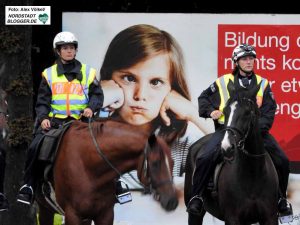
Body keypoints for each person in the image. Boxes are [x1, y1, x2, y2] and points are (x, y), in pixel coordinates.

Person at [186, 43, 293, 218]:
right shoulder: (223, 82)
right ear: (236, 62)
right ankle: (197, 196)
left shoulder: (263, 84)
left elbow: (269, 110)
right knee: (205, 157)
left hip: (257, 134)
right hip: (227, 130)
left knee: (282, 160)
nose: (249, 62)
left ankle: (280, 199)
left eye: (251, 58)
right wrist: (210, 111)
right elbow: (203, 98)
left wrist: (257, 129)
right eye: (245, 59)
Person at [99, 24, 207, 184]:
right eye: (129, 78)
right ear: (108, 79)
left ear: (173, 89)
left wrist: (194, 115)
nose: (140, 95)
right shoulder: (92, 139)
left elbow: (241, 166)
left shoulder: (184, 147)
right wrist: (95, 98)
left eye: (156, 82)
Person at [16, 31, 104, 205]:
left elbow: (97, 95)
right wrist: (42, 118)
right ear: (58, 51)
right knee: (35, 146)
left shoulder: (89, 72)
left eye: (72, 48)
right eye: (65, 48)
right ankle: (28, 186)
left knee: (106, 143)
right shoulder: (48, 74)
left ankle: (116, 184)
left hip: (82, 122)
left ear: (76, 50)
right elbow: (42, 101)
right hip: (57, 122)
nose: (69, 51)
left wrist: (90, 108)